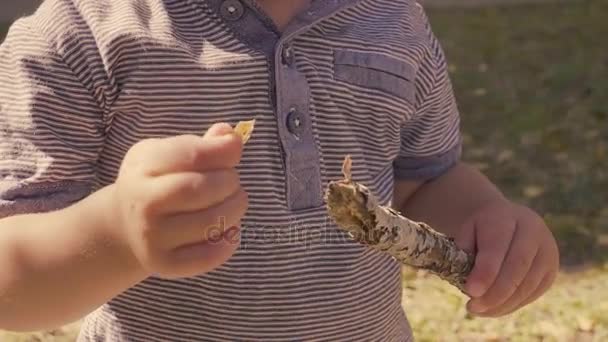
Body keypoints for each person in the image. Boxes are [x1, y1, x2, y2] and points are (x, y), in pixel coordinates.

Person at [0, 0, 559, 340]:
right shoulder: (77, 34)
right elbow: (12, 282)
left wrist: (489, 219)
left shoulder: (396, 22)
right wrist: (116, 234)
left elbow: (425, 178)